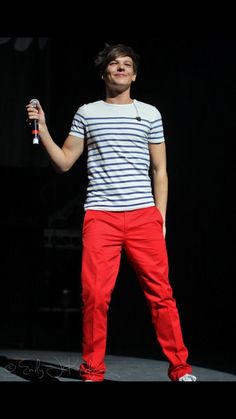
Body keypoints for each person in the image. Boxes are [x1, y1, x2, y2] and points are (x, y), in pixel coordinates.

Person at [26, 43, 197, 382]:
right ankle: (92, 371)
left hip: (142, 216)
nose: (120, 68)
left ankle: (180, 369)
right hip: (101, 217)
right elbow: (63, 163)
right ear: (104, 72)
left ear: (134, 75)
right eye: (114, 64)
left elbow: (160, 170)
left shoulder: (150, 113)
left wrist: (159, 217)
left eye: (127, 64)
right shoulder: (87, 112)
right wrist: (43, 128)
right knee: (94, 296)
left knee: (161, 295)